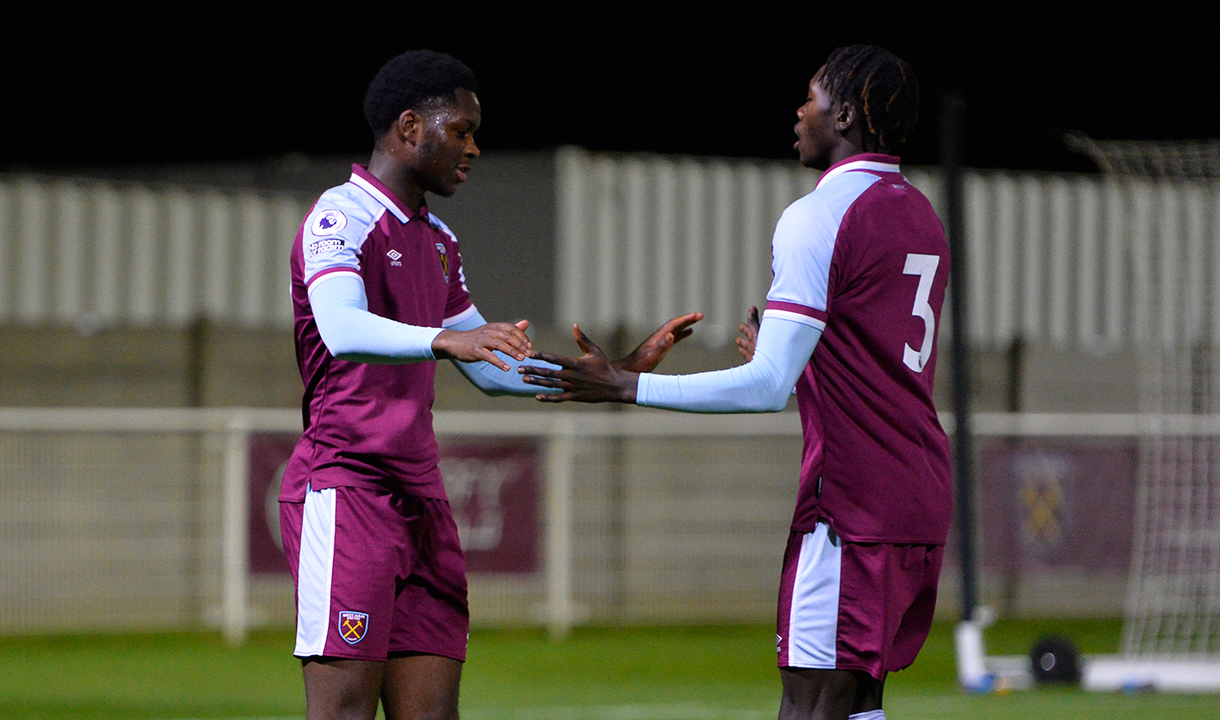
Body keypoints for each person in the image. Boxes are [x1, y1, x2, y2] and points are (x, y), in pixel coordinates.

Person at [521, 45, 951, 720]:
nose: (798, 112)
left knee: (810, 705)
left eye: (810, 98)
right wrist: (803, 367)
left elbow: (765, 386)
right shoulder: (920, 214)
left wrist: (628, 387)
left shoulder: (820, 215)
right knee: (858, 700)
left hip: (853, 506)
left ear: (843, 114)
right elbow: (872, 364)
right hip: (917, 492)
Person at [280, 49, 700, 720]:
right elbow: (341, 326)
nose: (474, 148)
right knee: (344, 712)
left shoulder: (439, 239)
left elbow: (486, 367)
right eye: (462, 130)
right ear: (411, 127)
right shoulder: (341, 215)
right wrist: (445, 338)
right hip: (347, 491)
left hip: (422, 501)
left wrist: (609, 375)